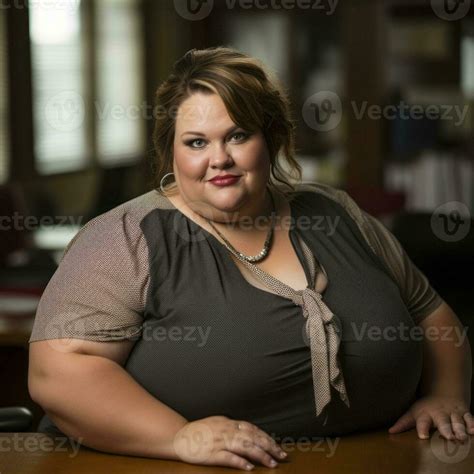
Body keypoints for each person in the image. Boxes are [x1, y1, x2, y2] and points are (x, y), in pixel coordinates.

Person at [28, 46, 473, 471]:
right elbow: (59, 373)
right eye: (196, 142)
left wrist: (447, 395)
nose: (219, 159)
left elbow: (431, 314)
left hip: (380, 462)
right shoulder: (125, 237)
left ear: (272, 137)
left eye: (238, 135)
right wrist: (179, 437)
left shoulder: (335, 213)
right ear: (172, 150)